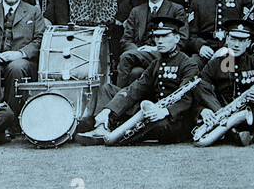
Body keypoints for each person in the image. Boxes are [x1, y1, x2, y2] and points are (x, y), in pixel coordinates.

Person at [86, 16, 202, 145]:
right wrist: (109, 109)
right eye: (157, 37)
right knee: (109, 89)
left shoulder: (188, 64)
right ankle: (102, 125)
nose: (160, 41)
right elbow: (137, 87)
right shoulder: (156, 63)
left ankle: (116, 133)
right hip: (154, 110)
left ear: (177, 38)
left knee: (157, 125)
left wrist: (165, 112)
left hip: (174, 118)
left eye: (164, 36)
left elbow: (186, 98)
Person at [195, 18, 254, 146]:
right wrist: (202, 110)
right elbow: (202, 92)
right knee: (200, 85)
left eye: (241, 41)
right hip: (221, 109)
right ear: (227, 39)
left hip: (251, 111)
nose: (236, 45)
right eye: (233, 39)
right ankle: (236, 133)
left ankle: (228, 132)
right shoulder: (216, 63)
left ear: (248, 43)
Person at [120, 0, 191, 85]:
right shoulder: (136, 11)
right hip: (139, 55)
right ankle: (125, 98)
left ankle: (119, 98)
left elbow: (182, 39)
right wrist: (138, 51)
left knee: (126, 57)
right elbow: (126, 40)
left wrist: (154, 49)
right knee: (135, 72)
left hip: (165, 55)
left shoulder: (176, 10)